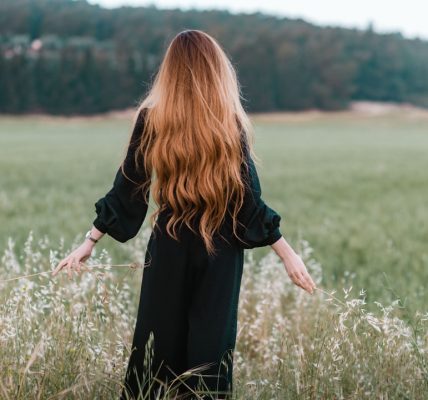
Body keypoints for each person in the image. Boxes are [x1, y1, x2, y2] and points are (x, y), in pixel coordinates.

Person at [52, 29, 316, 400]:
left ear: (170, 71)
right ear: (216, 70)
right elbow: (248, 202)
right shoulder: (228, 123)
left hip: (169, 245)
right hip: (221, 249)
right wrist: (288, 254)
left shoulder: (152, 118)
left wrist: (88, 242)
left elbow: (128, 189)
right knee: (210, 358)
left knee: (157, 355)